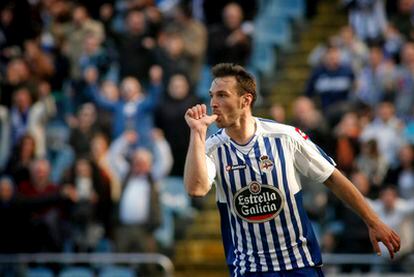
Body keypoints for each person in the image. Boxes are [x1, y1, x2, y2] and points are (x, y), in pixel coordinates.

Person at [183, 63, 401, 276]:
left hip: (299, 262)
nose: (213, 103)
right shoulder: (211, 147)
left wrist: (374, 221)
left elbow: (333, 177)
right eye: (212, 95)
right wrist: (197, 134)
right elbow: (197, 189)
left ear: (245, 100)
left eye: (222, 95)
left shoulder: (285, 137)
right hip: (250, 267)